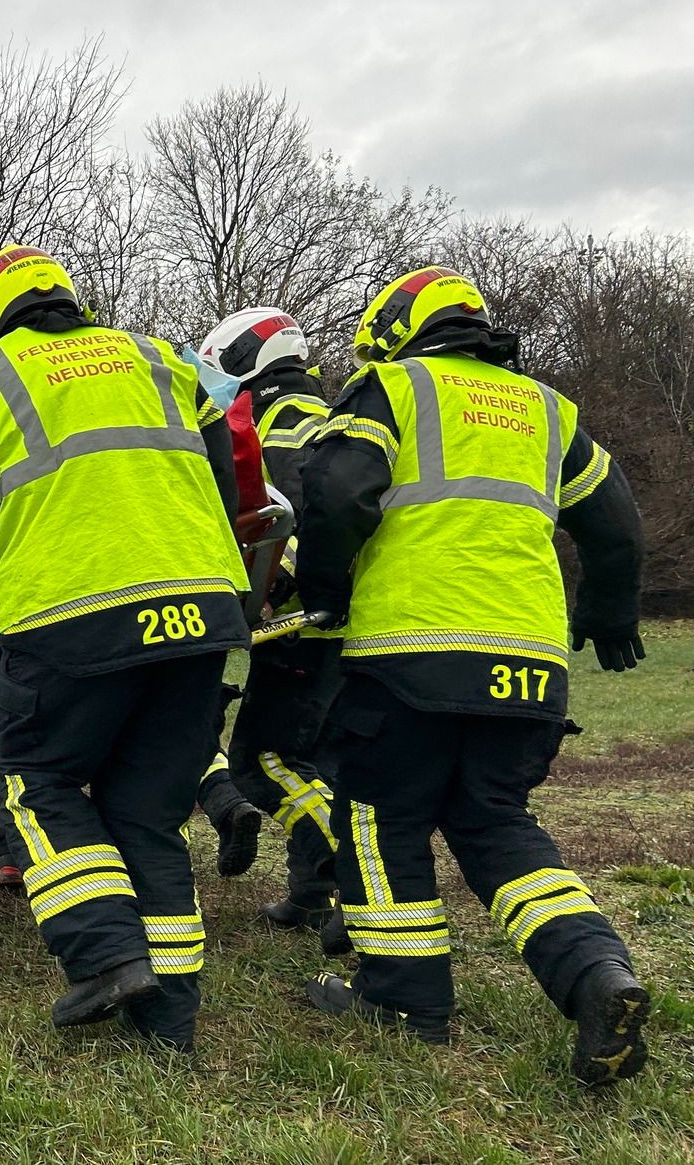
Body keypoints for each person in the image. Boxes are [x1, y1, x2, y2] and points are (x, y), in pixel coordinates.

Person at [296, 265, 649, 1085]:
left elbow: (339, 489)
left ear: (391, 330)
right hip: (530, 660)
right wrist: (610, 611)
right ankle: (599, 974)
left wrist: (322, 591)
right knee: (494, 821)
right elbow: (617, 524)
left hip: (414, 651)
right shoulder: (548, 409)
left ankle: (404, 999)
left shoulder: (394, 386)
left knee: (380, 816)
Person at [0, 244, 250, 1052]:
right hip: (201, 616)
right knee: (150, 813)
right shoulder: (159, 357)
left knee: (40, 785)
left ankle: (104, 955)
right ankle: (169, 1021)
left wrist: (13, 581)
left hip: (71, 621)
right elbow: (230, 472)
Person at [196, 307, 343, 936]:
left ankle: (356, 872)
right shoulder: (337, 418)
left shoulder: (274, 426)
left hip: (303, 623)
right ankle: (313, 897)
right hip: (363, 625)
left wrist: (269, 579)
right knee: (323, 763)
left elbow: (277, 515)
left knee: (264, 762)